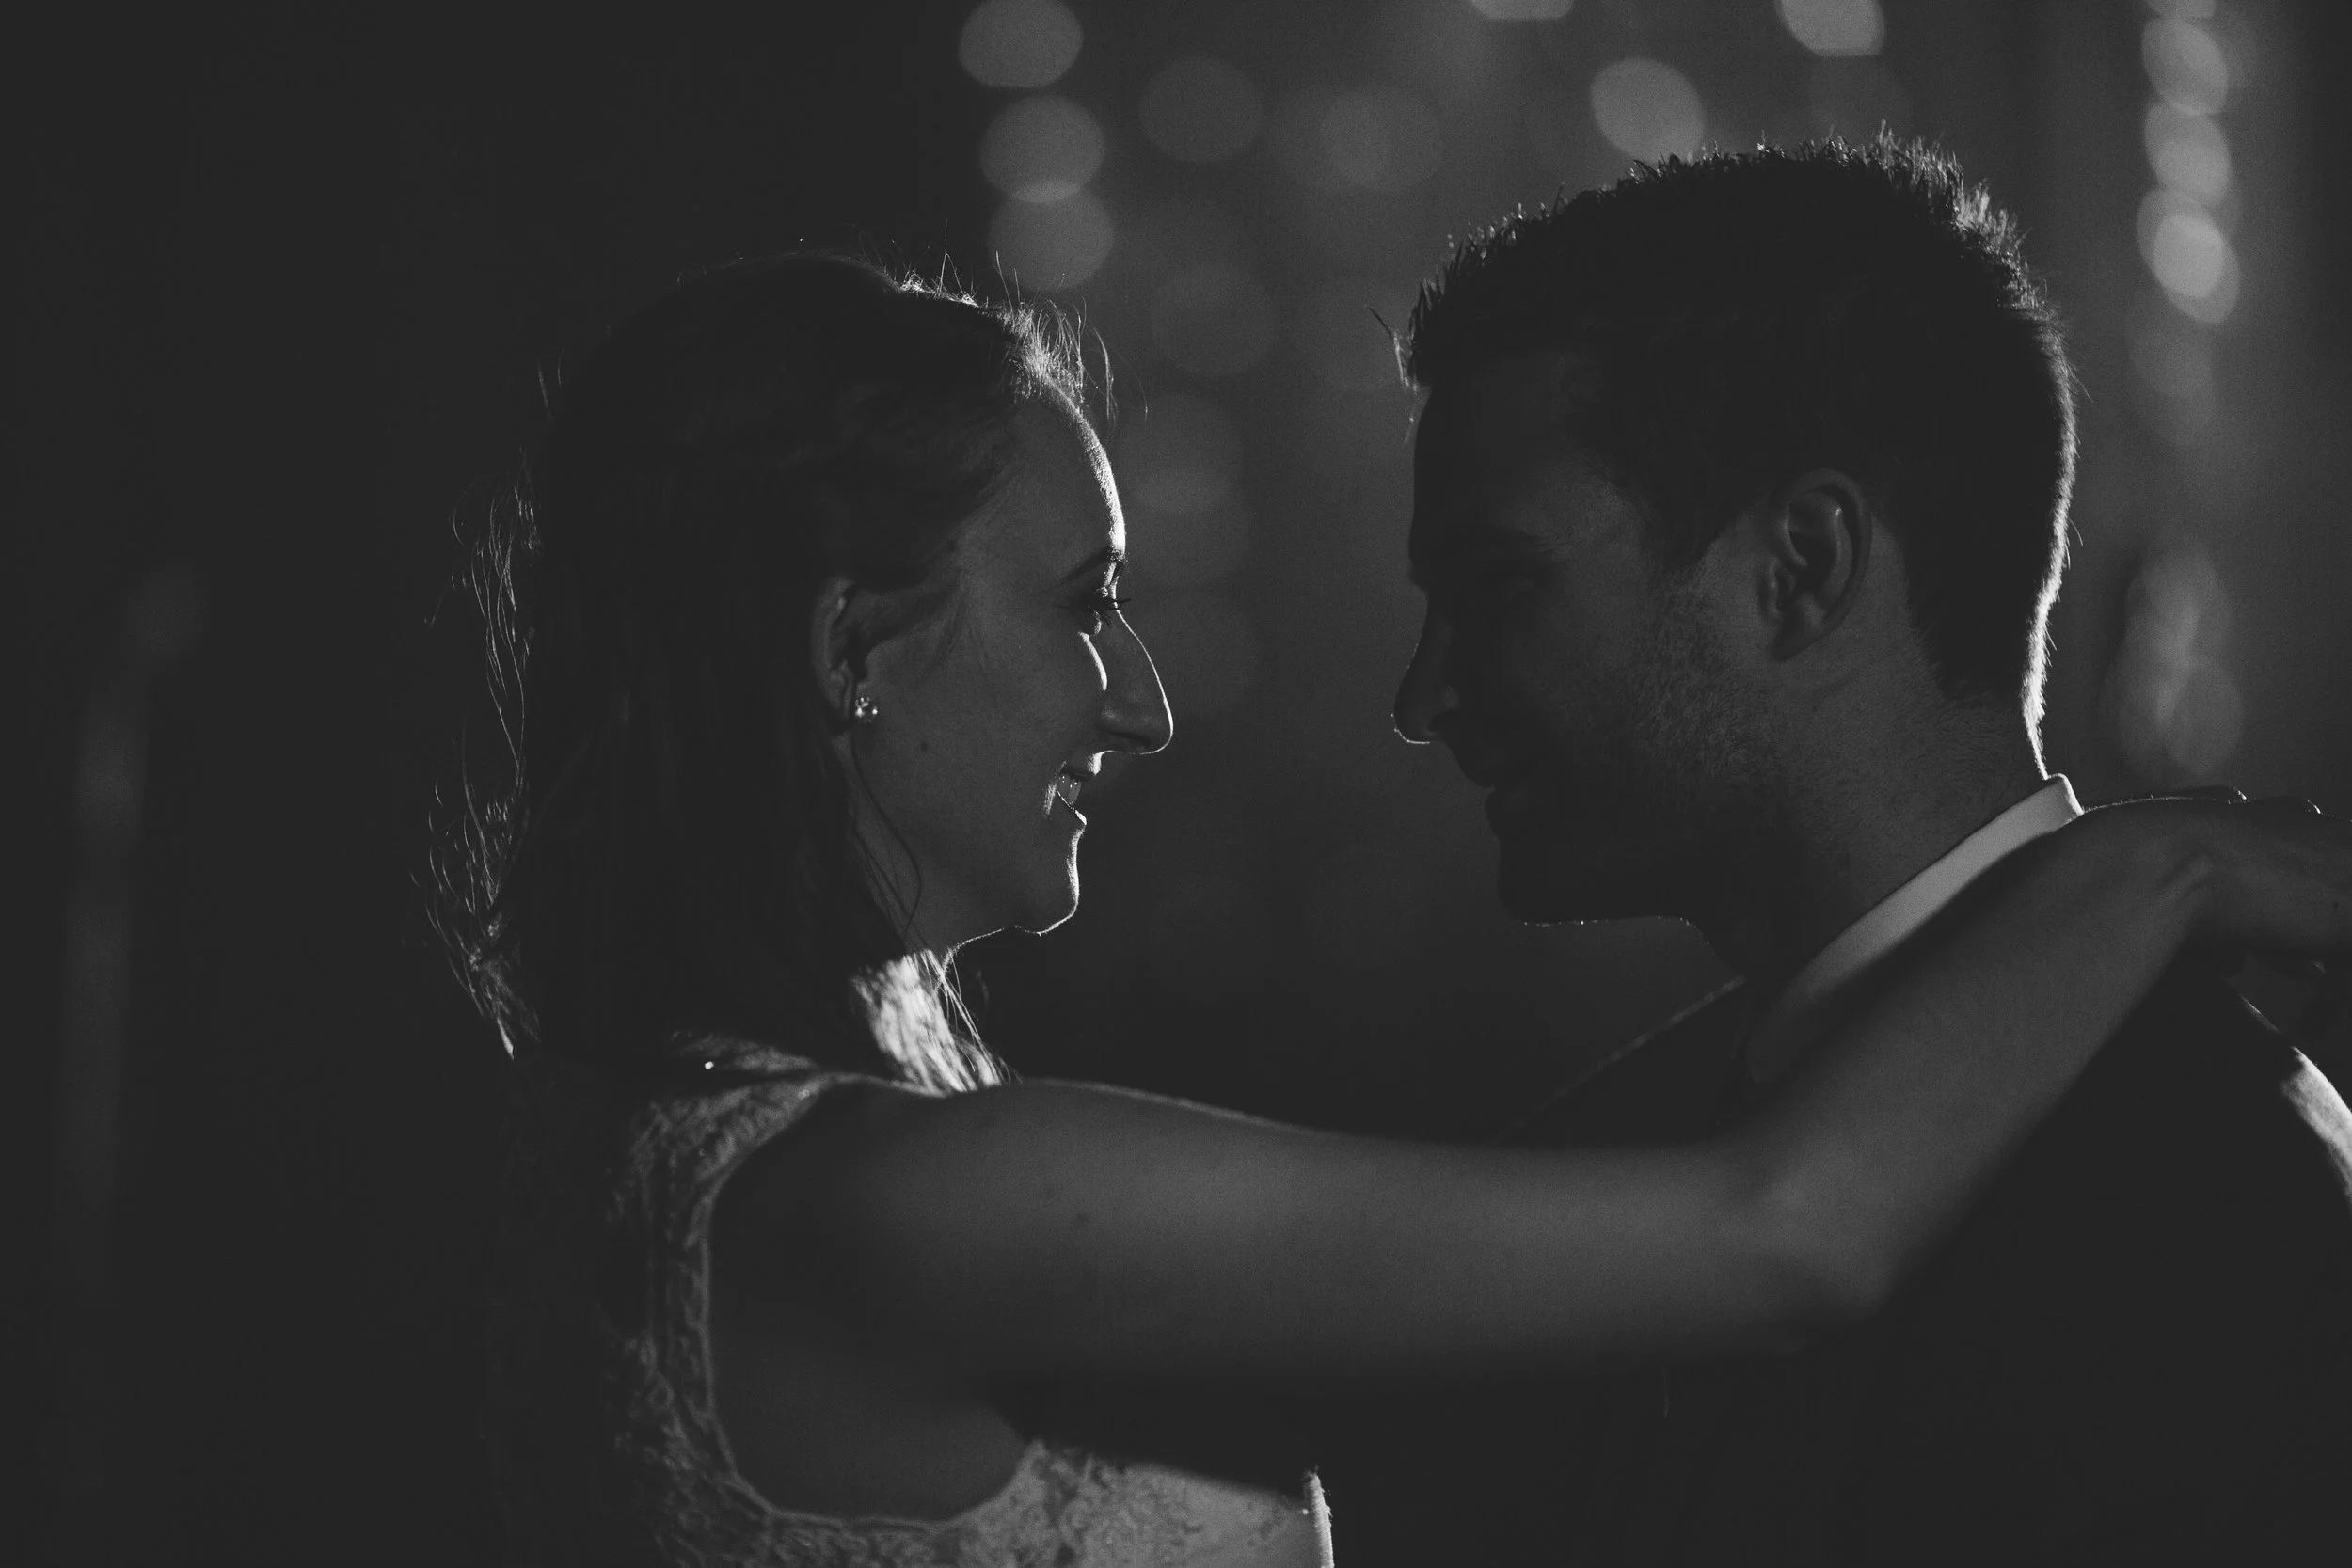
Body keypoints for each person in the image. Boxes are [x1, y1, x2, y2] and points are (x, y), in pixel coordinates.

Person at [437, 251, 2352, 1568]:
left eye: (1496, 585)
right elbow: (1786, 1228)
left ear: (1803, 565)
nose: (1138, 698)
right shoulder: (901, 1200)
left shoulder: (616, 1144)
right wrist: (2155, 857)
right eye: (1081, 603)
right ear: (853, 650)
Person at [1325, 137, 2352, 1563]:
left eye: (1499, 585)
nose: (1422, 695)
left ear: (1800, 567)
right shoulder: (1615, 1150)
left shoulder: (2209, 1203)